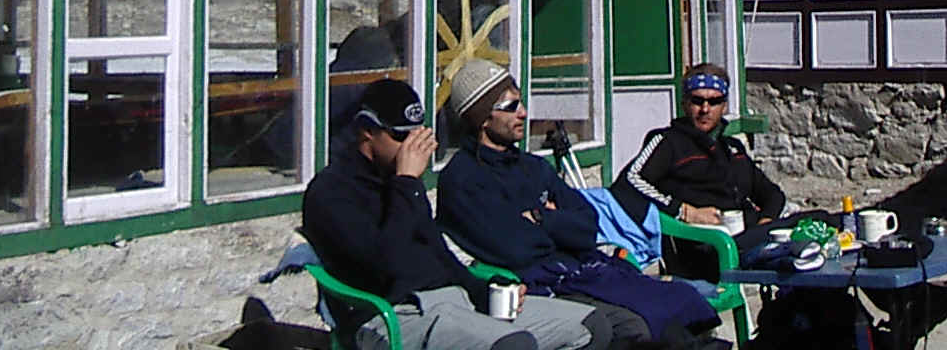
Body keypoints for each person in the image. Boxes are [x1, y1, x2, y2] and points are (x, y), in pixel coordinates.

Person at [301, 76, 609, 350]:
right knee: (513, 344)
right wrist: (406, 183)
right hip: (395, 312)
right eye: (400, 136)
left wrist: (485, 290)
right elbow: (385, 265)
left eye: (416, 135)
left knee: (592, 327)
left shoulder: (400, 182)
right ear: (367, 132)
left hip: (453, 300)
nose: (412, 147)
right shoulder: (332, 192)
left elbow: (439, 254)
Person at [437, 62, 719, 350]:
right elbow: (515, 248)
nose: (523, 112)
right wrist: (557, 222)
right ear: (482, 117)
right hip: (538, 284)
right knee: (636, 326)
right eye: (510, 106)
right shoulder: (463, 179)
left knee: (684, 299)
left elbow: (587, 225)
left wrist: (541, 218)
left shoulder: (533, 167)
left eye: (520, 102)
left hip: (582, 267)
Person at [612, 64, 785, 278]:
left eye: (714, 101)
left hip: (747, 239)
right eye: (697, 101)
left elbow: (773, 194)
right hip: (703, 249)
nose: (705, 109)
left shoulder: (732, 148)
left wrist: (765, 222)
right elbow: (628, 183)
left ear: (724, 105)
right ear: (685, 103)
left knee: (820, 226)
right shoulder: (668, 142)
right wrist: (686, 211)